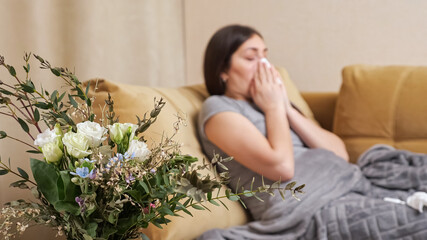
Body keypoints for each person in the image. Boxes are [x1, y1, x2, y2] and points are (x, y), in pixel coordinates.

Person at [197, 24, 427, 240]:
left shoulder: (272, 102)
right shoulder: (219, 108)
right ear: (223, 70)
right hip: (313, 207)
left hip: (352, 183)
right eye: (251, 57)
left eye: (265, 55)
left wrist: (285, 107)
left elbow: (339, 153)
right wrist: (274, 108)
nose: (265, 65)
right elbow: (282, 168)